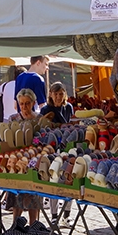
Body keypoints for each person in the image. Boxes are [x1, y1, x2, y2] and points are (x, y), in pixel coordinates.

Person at [40, 82, 74, 226]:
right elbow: (42, 127)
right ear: (51, 95)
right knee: (54, 179)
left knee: (69, 179)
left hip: (68, 146)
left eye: (61, 94)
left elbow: (72, 123)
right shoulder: (46, 109)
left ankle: (67, 215)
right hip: (52, 147)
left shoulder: (69, 107)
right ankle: (54, 216)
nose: (59, 97)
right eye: (56, 94)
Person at [6, 88, 42, 225]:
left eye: (27, 103)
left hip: (34, 160)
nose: (24, 107)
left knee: (33, 195)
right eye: (21, 104)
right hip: (17, 161)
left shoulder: (39, 119)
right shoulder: (13, 119)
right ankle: (16, 226)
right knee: (17, 195)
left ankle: (34, 226)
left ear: (33, 103)